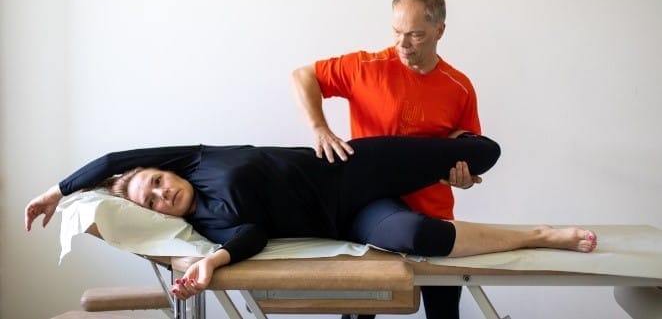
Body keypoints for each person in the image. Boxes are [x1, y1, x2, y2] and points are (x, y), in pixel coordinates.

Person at [25, 136, 597, 302]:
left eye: (153, 182)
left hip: (352, 164)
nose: (159, 194)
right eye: (149, 202)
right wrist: (212, 261)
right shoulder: (210, 228)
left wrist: (56, 191)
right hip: (352, 218)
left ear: (161, 168)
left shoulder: (195, 157)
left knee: (484, 151)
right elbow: (252, 236)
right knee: (418, 236)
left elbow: (113, 160)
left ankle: (442, 145)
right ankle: (541, 234)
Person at [291, 0, 483, 319]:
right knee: (359, 315)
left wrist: (465, 179)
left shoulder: (459, 87)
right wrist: (320, 129)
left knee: (444, 314)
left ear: (440, 31)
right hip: (369, 215)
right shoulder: (367, 67)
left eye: (416, 35)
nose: (402, 44)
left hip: (432, 217)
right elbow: (303, 75)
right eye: (397, 32)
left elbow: (468, 153)